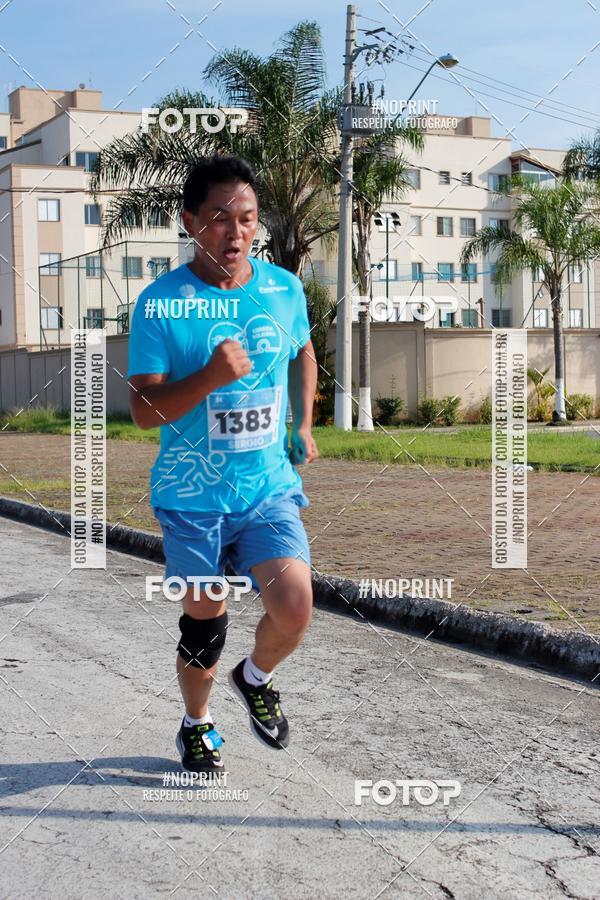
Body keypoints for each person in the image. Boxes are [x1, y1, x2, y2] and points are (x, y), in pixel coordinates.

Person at [127, 154, 318, 775]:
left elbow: (304, 353)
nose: (235, 233)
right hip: (192, 496)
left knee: (294, 605)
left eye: (247, 218)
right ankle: (196, 723)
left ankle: (256, 676)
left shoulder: (282, 288)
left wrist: (302, 423)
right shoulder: (161, 303)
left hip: (266, 488)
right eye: (218, 219)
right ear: (190, 222)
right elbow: (142, 408)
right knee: (205, 619)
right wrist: (210, 376)